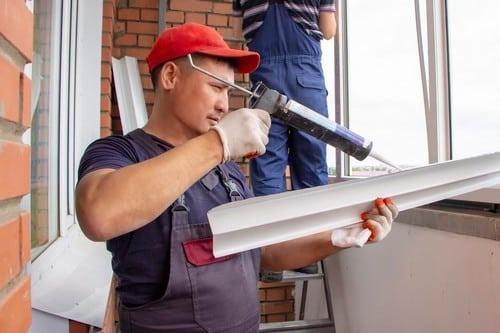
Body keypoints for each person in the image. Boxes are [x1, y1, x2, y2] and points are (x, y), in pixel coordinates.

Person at [75, 22, 398, 333]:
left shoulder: (226, 169)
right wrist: (218, 143)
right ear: (171, 76)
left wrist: (338, 236)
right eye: (216, 87)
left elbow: (262, 251)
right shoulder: (120, 152)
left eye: (229, 92)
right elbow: (99, 215)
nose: (223, 105)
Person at [232, 0, 337, 279]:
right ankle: (308, 254)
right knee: (311, 164)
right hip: (307, 78)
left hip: (265, 77)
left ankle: (271, 256)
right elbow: (328, 30)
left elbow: (238, 30)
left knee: (267, 163)